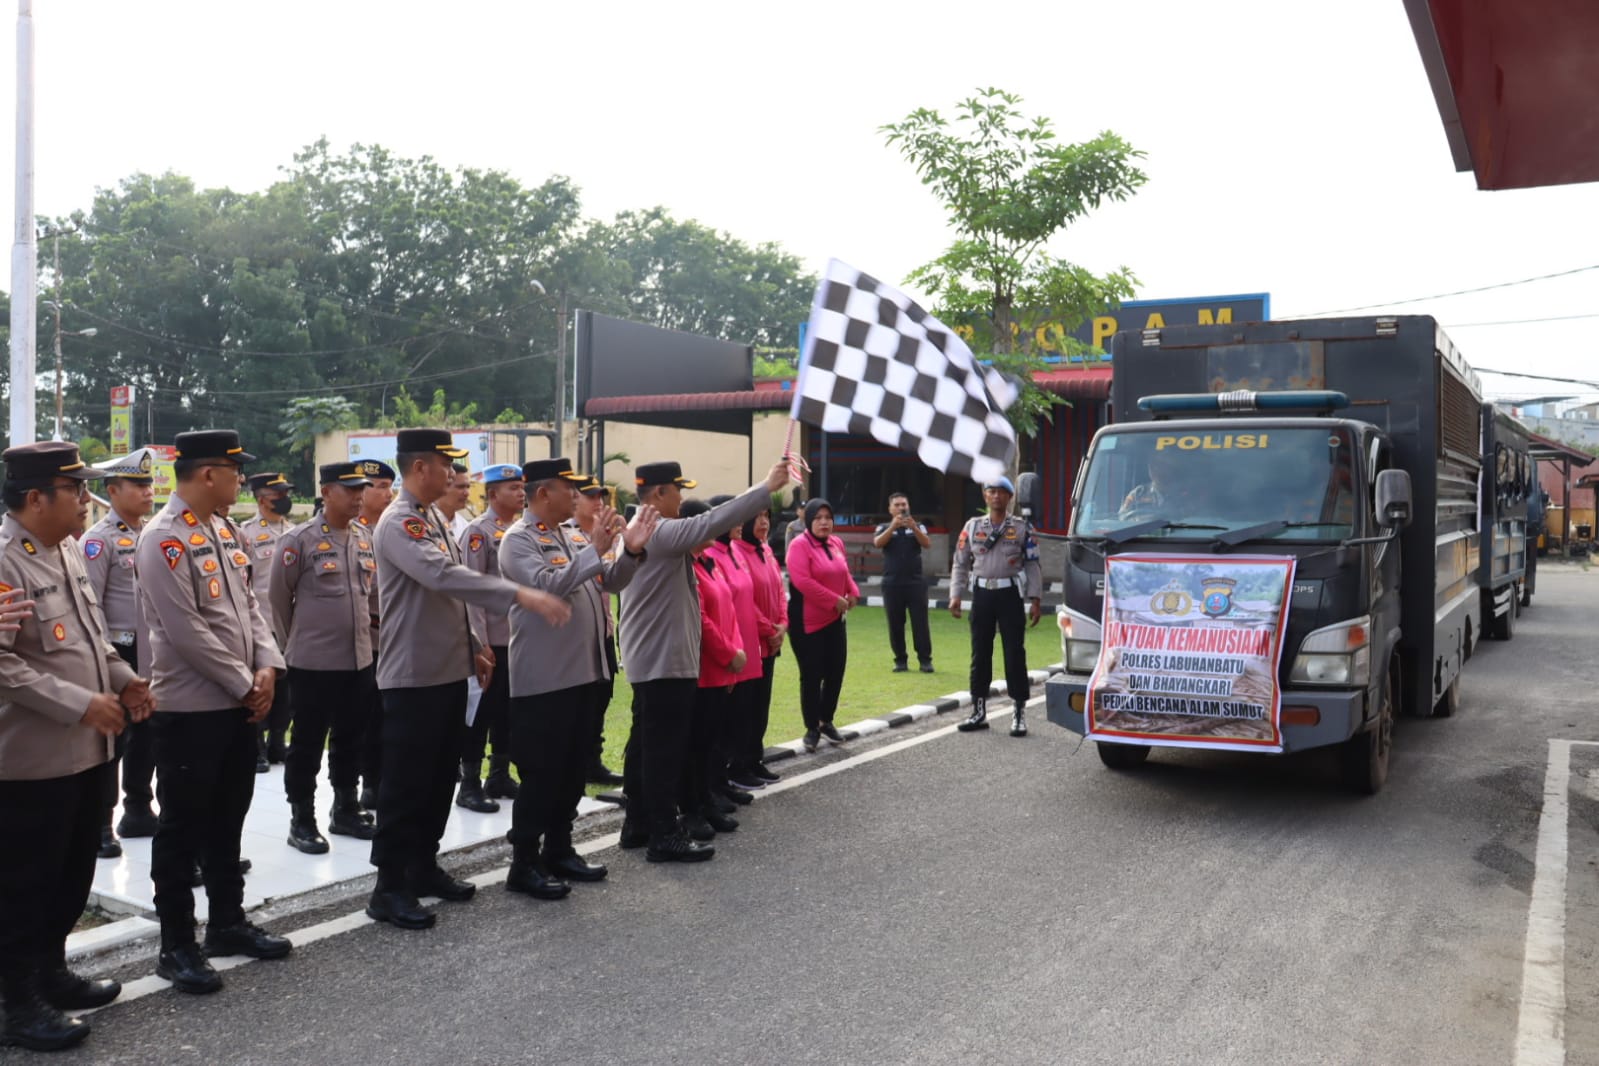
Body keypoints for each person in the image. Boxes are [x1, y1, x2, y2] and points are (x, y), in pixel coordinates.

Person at [365, 429, 571, 932]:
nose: (454, 474)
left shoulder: (434, 518)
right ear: (420, 467)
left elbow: (450, 597)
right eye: (446, 464)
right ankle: (388, 886)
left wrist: (475, 644)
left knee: (440, 777)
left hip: (449, 668)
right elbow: (443, 577)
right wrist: (518, 594)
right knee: (406, 783)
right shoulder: (400, 522)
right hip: (413, 675)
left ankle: (422, 864)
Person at [0, 441, 151, 1051]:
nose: (87, 499)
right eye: (75, 489)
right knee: (25, 883)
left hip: (88, 749)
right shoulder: (5, 561)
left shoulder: (64, 548)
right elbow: (3, 665)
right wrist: (81, 703)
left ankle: (51, 973)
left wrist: (124, 680)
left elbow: (93, 636)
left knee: (70, 873)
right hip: (33, 759)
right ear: (36, 498)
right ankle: (15, 1003)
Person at [136, 430, 291, 996]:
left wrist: (267, 665)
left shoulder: (223, 529)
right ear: (207, 475)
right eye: (234, 471)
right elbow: (185, 630)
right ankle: (177, 944)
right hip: (192, 708)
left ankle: (227, 922)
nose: (240, 480)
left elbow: (250, 606)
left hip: (237, 703)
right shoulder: (163, 538)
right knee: (182, 828)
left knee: (228, 818)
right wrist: (245, 683)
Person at [618, 458, 788, 864]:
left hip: (657, 658)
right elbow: (711, 521)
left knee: (646, 747)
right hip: (663, 660)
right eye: (678, 489)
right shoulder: (658, 530)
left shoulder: (646, 530)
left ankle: (639, 823)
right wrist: (765, 487)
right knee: (663, 752)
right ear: (659, 493)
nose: (682, 497)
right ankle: (664, 834)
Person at [499, 458, 653, 899]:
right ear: (543, 493)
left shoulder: (573, 535)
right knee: (541, 773)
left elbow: (610, 582)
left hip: (585, 673)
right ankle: (524, 862)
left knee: (571, 770)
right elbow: (547, 585)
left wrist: (631, 551)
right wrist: (594, 550)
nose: (577, 495)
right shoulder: (518, 540)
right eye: (569, 488)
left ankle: (560, 848)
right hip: (544, 680)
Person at [267, 463, 378, 854]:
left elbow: (371, 596)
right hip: (313, 663)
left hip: (359, 659)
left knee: (351, 738)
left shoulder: (364, 537)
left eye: (361, 490)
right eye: (350, 490)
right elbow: (278, 600)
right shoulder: (299, 540)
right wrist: (294, 644)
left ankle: (345, 807)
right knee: (307, 743)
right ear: (327, 492)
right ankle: (302, 818)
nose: (359, 497)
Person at [82, 447, 158, 857]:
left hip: (150, 652)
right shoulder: (99, 541)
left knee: (146, 734)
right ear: (112, 491)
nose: (148, 491)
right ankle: (100, 824)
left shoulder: (153, 533)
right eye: (138, 484)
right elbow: (89, 605)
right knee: (110, 741)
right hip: (117, 652)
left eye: (149, 483)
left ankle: (139, 809)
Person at [950, 476, 1043, 737]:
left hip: (1010, 595)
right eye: (991, 492)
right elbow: (960, 562)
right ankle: (978, 711)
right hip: (982, 595)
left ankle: (1019, 713)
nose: (996, 496)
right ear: (985, 496)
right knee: (980, 653)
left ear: (1010, 497)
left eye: (1001, 492)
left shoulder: (1023, 528)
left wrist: (1035, 599)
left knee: (1014, 654)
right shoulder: (972, 526)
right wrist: (955, 594)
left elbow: (1033, 564)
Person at [456, 464, 525, 813]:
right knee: (481, 712)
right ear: (493, 494)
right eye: (513, 488)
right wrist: (479, 641)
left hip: (517, 638)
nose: (521, 493)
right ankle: (469, 782)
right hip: (490, 640)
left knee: (508, 711)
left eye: (522, 487)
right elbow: (471, 591)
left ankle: (499, 773)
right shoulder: (478, 532)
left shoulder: (522, 530)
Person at [680, 500, 747, 839]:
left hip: (722, 665)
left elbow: (729, 611)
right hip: (703, 667)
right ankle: (692, 808)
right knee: (696, 745)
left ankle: (706, 801)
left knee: (709, 742)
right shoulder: (687, 566)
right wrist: (727, 653)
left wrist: (735, 654)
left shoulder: (710, 562)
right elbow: (701, 619)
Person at [785, 498, 860, 753]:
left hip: (835, 620)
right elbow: (802, 581)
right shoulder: (799, 545)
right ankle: (811, 728)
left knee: (836, 671)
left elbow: (844, 572)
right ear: (808, 520)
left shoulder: (836, 542)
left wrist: (853, 591)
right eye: (818, 518)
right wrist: (833, 600)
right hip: (807, 623)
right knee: (812, 675)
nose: (824, 522)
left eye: (828, 518)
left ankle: (826, 720)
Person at [705, 496, 766, 794]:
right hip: (727, 650)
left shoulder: (734, 552)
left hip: (746, 645)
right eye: (735, 518)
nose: (741, 523)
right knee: (723, 721)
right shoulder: (712, 555)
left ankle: (739, 768)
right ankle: (723, 777)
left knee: (745, 713)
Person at [569, 476, 625, 786]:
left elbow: (613, 581)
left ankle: (593, 761)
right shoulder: (567, 535)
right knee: (579, 703)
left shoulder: (607, 535)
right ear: (574, 499)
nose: (598, 502)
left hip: (603, 629)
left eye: (600, 496)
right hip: (577, 635)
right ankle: (577, 762)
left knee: (602, 697)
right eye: (591, 496)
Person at [242, 472, 296, 769]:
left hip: (289, 624)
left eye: (286, 493)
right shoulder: (247, 534)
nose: (284, 499)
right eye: (278, 495)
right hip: (261, 623)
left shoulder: (294, 531)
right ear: (262, 499)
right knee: (260, 685)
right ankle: (257, 747)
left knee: (285, 691)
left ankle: (278, 743)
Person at [730, 508, 785, 784]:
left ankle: (754, 759)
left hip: (771, 641)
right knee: (745, 708)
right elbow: (745, 601)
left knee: (761, 705)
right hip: (751, 641)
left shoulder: (766, 549)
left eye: (767, 516)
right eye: (758, 516)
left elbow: (779, 591)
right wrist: (769, 628)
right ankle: (738, 764)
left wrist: (782, 624)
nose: (764, 522)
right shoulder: (737, 552)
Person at [355, 459, 395, 813]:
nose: (388, 494)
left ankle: (383, 778)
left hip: (395, 641)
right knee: (364, 717)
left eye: (389, 487)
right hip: (363, 642)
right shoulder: (349, 532)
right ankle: (367, 783)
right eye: (380, 487)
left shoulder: (393, 529)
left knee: (389, 716)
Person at [873, 492, 933, 674]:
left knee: (920, 623)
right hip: (892, 583)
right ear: (890, 509)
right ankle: (900, 660)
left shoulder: (919, 526)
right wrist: (893, 526)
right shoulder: (883, 527)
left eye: (904, 504)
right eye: (897, 505)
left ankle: (925, 660)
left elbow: (927, 543)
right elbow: (877, 543)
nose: (901, 508)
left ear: (908, 506)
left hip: (915, 582)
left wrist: (913, 528)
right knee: (895, 623)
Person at [438, 462, 473, 543]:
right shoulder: (425, 522)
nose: (467, 493)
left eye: (468, 487)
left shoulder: (465, 527)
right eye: (460, 487)